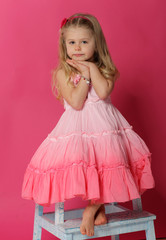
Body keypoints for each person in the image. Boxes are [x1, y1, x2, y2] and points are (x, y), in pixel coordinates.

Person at [22, 13, 155, 237]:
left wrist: (91, 69)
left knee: (108, 165)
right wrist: (83, 76)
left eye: (84, 42)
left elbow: (102, 92)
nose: (78, 48)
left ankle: (92, 208)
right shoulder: (63, 72)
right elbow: (75, 102)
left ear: (96, 43)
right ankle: (98, 207)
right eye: (72, 43)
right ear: (64, 46)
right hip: (78, 131)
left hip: (106, 131)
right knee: (89, 167)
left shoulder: (104, 69)